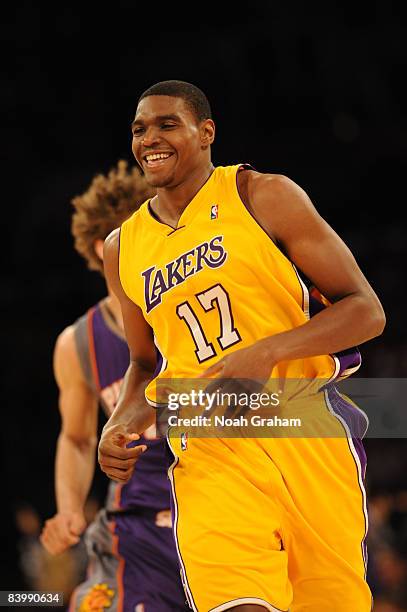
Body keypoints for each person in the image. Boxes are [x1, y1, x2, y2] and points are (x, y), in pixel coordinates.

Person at [97, 81, 386, 611]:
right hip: (208, 443)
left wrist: (269, 351)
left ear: (206, 133)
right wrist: (119, 422)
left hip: (306, 431)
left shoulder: (263, 195)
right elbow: (144, 362)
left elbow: (366, 310)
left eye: (167, 124)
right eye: (139, 129)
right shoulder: (123, 247)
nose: (149, 139)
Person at [40, 161, 188, 612]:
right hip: (137, 522)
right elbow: (78, 436)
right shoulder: (78, 342)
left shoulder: (197, 308)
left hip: (218, 500)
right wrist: (69, 508)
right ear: (99, 251)